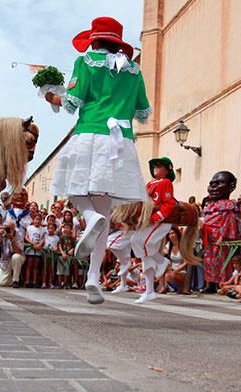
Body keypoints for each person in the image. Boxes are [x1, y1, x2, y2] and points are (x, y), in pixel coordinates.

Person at [45, 16, 150, 304]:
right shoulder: (133, 70)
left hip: (91, 132)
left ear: (94, 39)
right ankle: (93, 278)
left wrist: (51, 97)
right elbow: (143, 112)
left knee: (68, 183)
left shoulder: (86, 61)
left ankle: (88, 217)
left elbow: (71, 102)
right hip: (121, 141)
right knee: (104, 208)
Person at [130, 157, 176, 304]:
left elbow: (169, 203)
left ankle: (162, 261)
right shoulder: (149, 183)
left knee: (145, 244)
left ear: (167, 169)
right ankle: (149, 290)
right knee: (137, 244)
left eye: (159, 165)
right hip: (149, 220)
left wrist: (157, 217)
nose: (156, 167)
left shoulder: (166, 182)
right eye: (154, 165)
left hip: (160, 221)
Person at [202, 171, 240, 292]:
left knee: (222, 261)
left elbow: (228, 222)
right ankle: (210, 284)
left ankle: (222, 284)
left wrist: (222, 237)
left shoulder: (228, 205)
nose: (213, 187)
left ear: (231, 186)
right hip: (208, 238)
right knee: (209, 262)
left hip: (220, 239)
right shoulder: (209, 205)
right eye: (211, 184)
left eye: (219, 183)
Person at [0, 221, 26, 287]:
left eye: (8, 229)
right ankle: (11, 279)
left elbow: (18, 251)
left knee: (16, 257)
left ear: (13, 229)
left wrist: (12, 239)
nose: (7, 230)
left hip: (18, 257)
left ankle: (15, 280)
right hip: (5, 260)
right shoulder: (1, 233)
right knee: (2, 283)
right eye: (5, 228)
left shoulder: (19, 234)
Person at [24, 213, 45, 287]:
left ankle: (34, 281)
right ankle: (27, 280)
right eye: (36, 219)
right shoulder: (29, 227)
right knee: (29, 265)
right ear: (33, 220)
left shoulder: (42, 229)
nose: (37, 221)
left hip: (38, 249)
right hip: (30, 248)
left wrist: (39, 245)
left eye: (39, 220)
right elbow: (26, 237)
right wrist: (32, 243)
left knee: (36, 265)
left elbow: (43, 238)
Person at [57, 221, 76, 289]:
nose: (66, 229)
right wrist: (62, 253)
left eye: (68, 227)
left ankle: (65, 283)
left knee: (66, 270)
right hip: (61, 255)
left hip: (68, 256)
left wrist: (72, 250)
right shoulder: (62, 237)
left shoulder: (71, 238)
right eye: (65, 227)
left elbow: (74, 246)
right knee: (60, 270)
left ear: (71, 229)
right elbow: (59, 246)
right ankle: (59, 283)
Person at [43, 222, 60, 288]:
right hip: (45, 254)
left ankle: (50, 282)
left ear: (55, 230)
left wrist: (56, 248)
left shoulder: (57, 238)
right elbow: (42, 243)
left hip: (52, 255)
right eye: (49, 228)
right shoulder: (45, 236)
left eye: (52, 228)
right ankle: (44, 282)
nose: (50, 230)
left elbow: (58, 246)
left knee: (51, 269)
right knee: (44, 268)